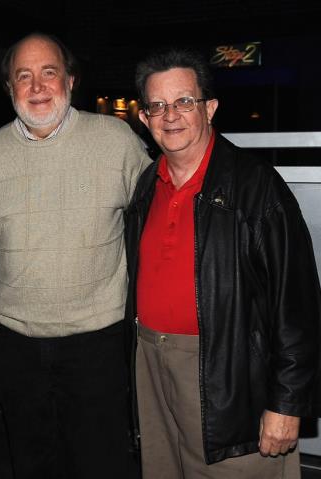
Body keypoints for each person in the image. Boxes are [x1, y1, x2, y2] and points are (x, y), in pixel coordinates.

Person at [0, 32, 152, 479]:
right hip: (16, 346)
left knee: (101, 464)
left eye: (49, 72)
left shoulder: (116, 141)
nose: (37, 85)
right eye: (23, 76)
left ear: (70, 80)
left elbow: (155, 222)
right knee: (32, 463)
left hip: (98, 343)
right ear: (9, 89)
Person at [124, 47, 321, 478]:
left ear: (209, 108)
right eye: (157, 105)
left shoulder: (255, 186)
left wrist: (286, 404)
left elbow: (297, 302)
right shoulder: (146, 186)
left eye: (184, 102)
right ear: (144, 119)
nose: (170, 115)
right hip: (152, 368)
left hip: (231, 374)